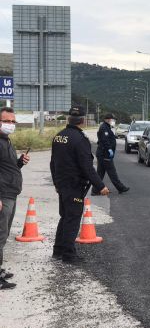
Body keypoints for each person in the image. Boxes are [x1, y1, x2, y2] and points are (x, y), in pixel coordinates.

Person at [50, 106, 110, 263]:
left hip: (62, 184)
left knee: (65, 217)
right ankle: (68, 255)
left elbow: (53, 163)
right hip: (74, 186)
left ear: (69, 119)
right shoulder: (80, 139)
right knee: (73, 219)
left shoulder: (59, 136)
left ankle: (58, 250)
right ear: (83, 121)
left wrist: (56, 182)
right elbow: (86, 167)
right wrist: (100, 185)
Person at [0, 107, 30, 289]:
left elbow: (7, 168)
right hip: (3, 195)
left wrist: (20, 162)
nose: (10, 125)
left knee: (4, 235)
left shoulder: (6, 140)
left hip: (10, 193)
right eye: (6, 121)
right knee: (0, 235)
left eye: (12, 122)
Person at [91, 113, 129, 195]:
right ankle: (120, 187)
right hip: (105, 154)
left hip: (103, 153)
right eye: (112, 119)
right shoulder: (104, 128)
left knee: (100, 173)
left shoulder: (106, 127)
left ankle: (95, 190)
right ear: (107, 119)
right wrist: (109, 150)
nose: (113, 121)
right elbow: (105, 141)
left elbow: (102, 140)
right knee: (112, 172)